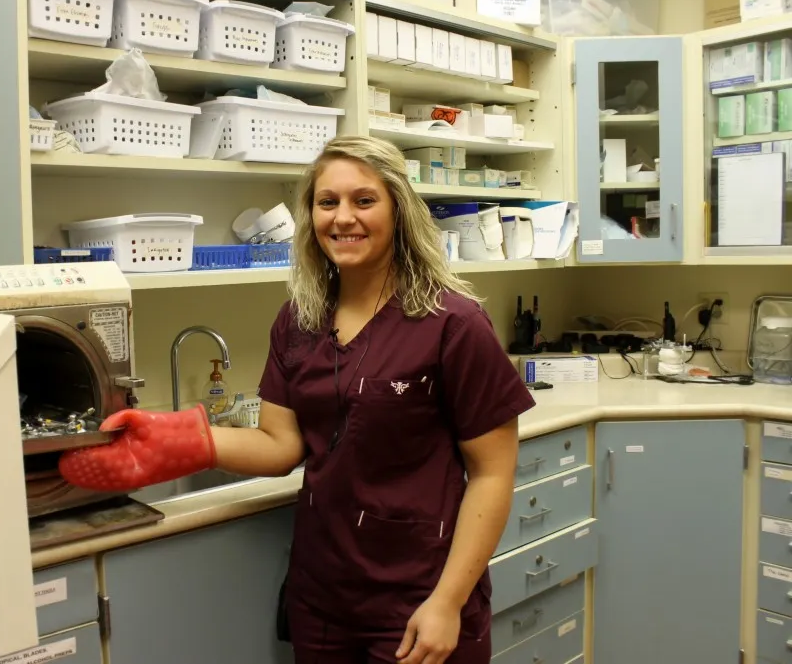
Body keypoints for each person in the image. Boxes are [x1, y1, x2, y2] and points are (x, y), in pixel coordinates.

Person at [59, 135, 536, 664]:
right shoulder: (299, 320)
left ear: (399, 210)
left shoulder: (453, 322)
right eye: (327, 202)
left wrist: (448, 602)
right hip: (324, 596)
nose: (343, 218)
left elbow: (493, 474)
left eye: (364, 200)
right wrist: (180, 438)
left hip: (420, 595)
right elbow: (281, 444)